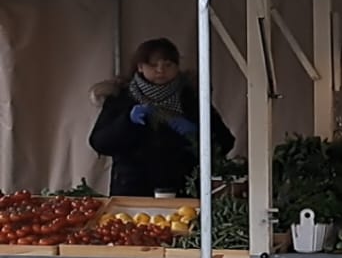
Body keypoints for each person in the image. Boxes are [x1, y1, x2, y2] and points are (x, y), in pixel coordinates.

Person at [89, 39, 236, 197]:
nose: (161, 70)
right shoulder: (122, 98)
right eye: (153, 65)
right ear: (140, 67)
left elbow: (225, 142)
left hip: (183, 188)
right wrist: (126, 122)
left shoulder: (191, 98)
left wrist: (197, 132)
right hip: (132, 188)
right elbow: (99, 142)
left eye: (168, 65)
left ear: (177, 67)